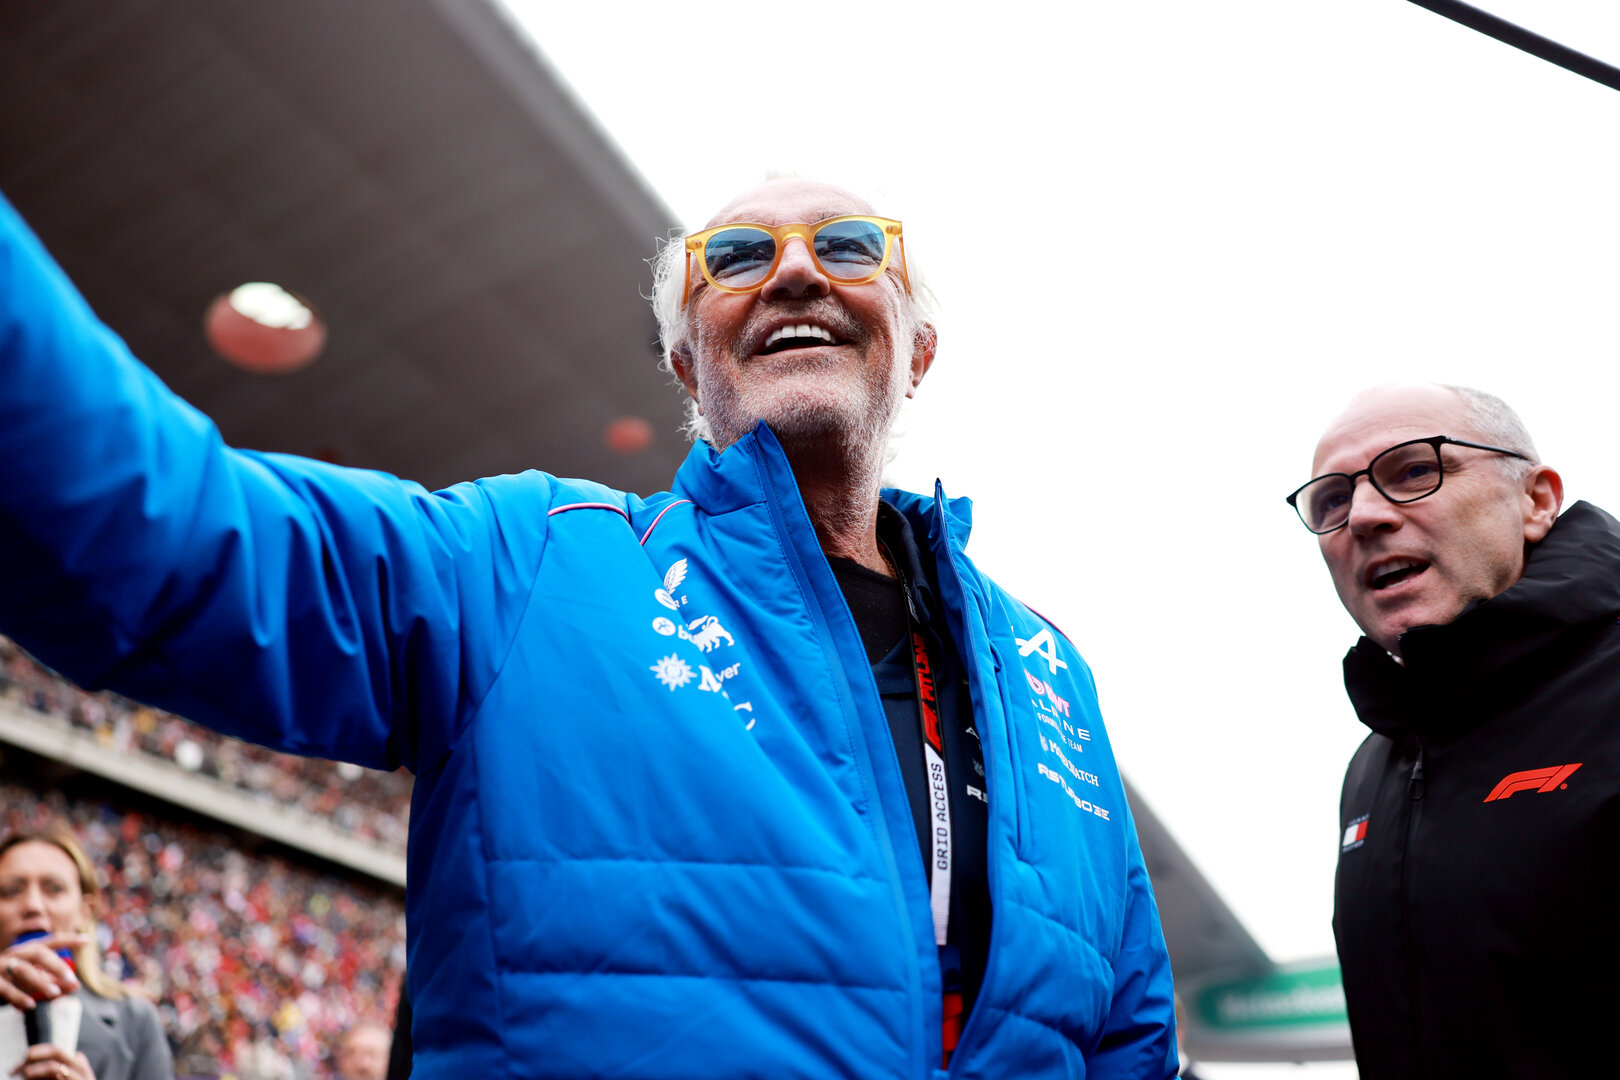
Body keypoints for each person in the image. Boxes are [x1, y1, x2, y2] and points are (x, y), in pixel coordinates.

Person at [0, 177, 1176, 1077]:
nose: (797, 273)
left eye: (851, 248)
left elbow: (1127, 1034)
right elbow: (176, 542)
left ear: (917, 350)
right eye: (740, 258)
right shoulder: (528, 562)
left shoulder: (1049, 680)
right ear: (685, 360)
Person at [1288, 382, 1617, 1079]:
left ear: (1535, 501)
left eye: (1413, 471)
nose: (1365, 517)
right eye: (1332, 501)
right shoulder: (1372, 768)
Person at [0, 831, 173, 1080]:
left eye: (54, 889)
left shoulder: (136, 1022)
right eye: (10, 891)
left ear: (84, 910)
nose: (33, 905)